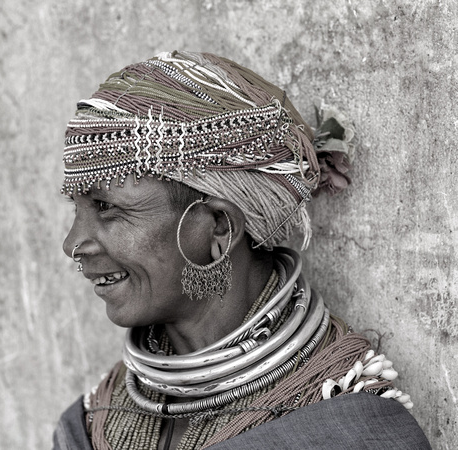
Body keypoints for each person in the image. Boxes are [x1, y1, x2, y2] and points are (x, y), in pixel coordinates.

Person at [53, 51, 430, 449]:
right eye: (76, 210)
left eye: (106, 208)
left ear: (218, 227)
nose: (72, 244)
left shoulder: (347, 431)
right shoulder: (95, 422)